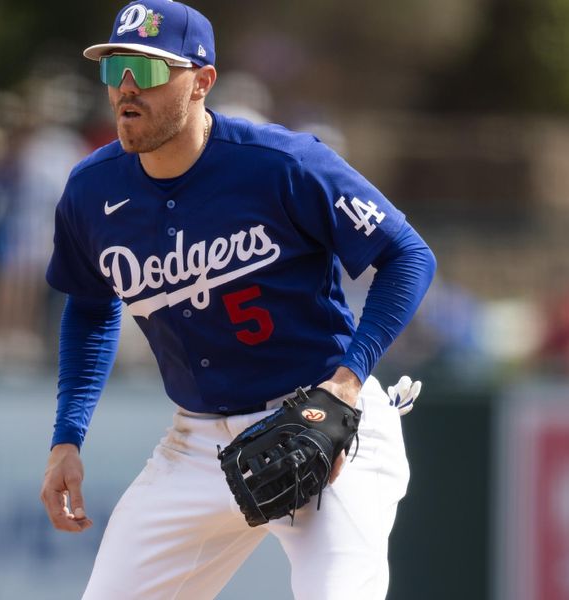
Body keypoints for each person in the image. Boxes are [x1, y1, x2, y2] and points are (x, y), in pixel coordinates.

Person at [39, 1, 437, 598]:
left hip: (324, 425)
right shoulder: (91, 191)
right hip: (197, 444)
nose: (126, 87)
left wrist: (350, 381)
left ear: (202, 82)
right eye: (115, 68)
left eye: (146, 71)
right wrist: (67, 436)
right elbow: (92, 306)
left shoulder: (280, 163)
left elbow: (408, 255)